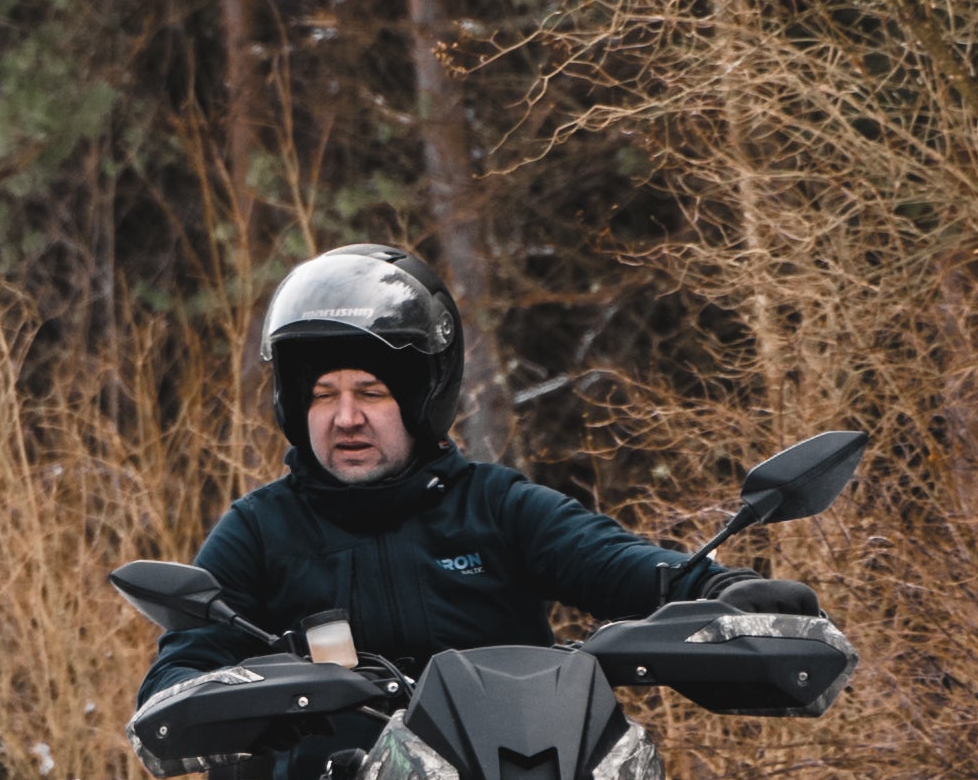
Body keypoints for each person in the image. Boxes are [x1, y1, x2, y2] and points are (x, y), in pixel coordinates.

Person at [140, 245, 726, 710]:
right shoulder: (259, 531)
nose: (346, 418)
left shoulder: (497, 508)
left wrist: (726, 592)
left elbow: (626, 567)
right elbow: (180, 670)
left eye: (371, 392)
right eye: (323, 396)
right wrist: (221, 696)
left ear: (424, 399)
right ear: (295, 409)